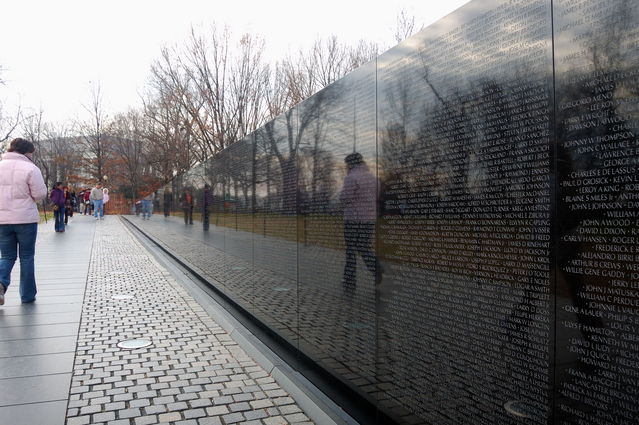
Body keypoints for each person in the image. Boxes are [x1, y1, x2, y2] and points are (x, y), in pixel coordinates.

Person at [0, 138, 48, 305]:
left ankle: (0, 282)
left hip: (2, 220)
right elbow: (40, 194)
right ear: (26, 152)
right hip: (25, 219)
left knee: (6, 256)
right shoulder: (30, 168)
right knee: (27, 257)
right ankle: (27, 295)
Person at [339, 152, 381, 291]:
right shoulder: (373, 178)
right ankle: (376, 268)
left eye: (347, 164)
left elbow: (345, 197)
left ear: (351, 164)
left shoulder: (352, 178)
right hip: (369, 218)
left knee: (351, 250)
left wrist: (342, 198)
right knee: (364, 246)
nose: (346, 167)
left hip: (353, 219)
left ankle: (349, 280)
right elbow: (376, 196)